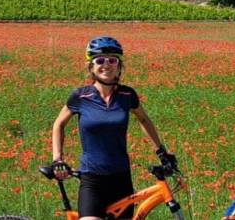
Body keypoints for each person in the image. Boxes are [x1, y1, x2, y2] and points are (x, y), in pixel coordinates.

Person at [50, 36, 177, 220]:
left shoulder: (127, 95)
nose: (106, 65)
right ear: (91, 67)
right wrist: (57, 159)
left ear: (119, 66)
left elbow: (144, 119)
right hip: (92, 180)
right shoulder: (81, 96)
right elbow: (58, 124)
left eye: (112, 60)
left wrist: (161, 152)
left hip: (121, 179)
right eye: (99, 60)